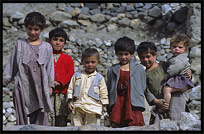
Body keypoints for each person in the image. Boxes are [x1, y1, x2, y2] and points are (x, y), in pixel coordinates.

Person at [2, 12, 54, 126]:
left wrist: (50, 86)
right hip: (22, 87)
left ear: (42, 29)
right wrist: (4, 82)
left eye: (36, 29)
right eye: (30, 28)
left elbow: (50, 68)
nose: (32, 32)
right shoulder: (20, 44)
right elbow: (12, 66)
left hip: (40, 89)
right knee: (21, 122)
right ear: (26, 28)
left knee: (41, 123)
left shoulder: (47, 47)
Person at [136, 41, 192, 124]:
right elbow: (147, 92)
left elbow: (180, 70)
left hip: (176, 101)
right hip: (161, 105)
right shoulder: (143, 74)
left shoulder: (165, 65)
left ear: (155, 55)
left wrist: (188, 72)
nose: (145, 60)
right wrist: (156, 101)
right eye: (142, 57)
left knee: (178, 124)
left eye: (148, 56)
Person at [106, 36, 146, 128]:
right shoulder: (112, 70)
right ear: (116, 54)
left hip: (133, 103)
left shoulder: (139, 69)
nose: (123, 57)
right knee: (117, 125)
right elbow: (109, 87)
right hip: (118, 103)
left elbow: (143, 86)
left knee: (135, 125)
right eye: (121, 54)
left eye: (126, 54)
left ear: (131, 54)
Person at [67, 48, 109, 126]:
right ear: (82, 62)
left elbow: (104, 93)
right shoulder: (77, 75)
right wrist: (69, 101)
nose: (90, 65)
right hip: (77, 106)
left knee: (91, 128)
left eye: (93, 62)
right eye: (87, 62)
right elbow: (70, 88)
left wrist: (101, 107)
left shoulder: (99, 78)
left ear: (98, 63)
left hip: (93, 108)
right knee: (76, 127)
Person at [48, 28, 74, 126]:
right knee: (48, 116)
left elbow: (70, 74)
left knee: (61, 116)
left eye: (61, 40)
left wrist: (59, 82)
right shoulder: (46, 57)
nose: (58, 43)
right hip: (48, 92)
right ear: (49, 40)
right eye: (55, 39)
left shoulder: (68, 59)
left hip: (62, 93)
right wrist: (49, 83)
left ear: (65, 43)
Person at [162, 34, 194, 112]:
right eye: (174, 47)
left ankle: (165, 105)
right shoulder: (177, 58)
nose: (177, 49)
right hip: (180, 79)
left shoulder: (179, 59)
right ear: (171, 47)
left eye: (180, 47)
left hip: (181, 80)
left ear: (185, 49)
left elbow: (174, 69)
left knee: (166, 89)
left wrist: (167, 74)